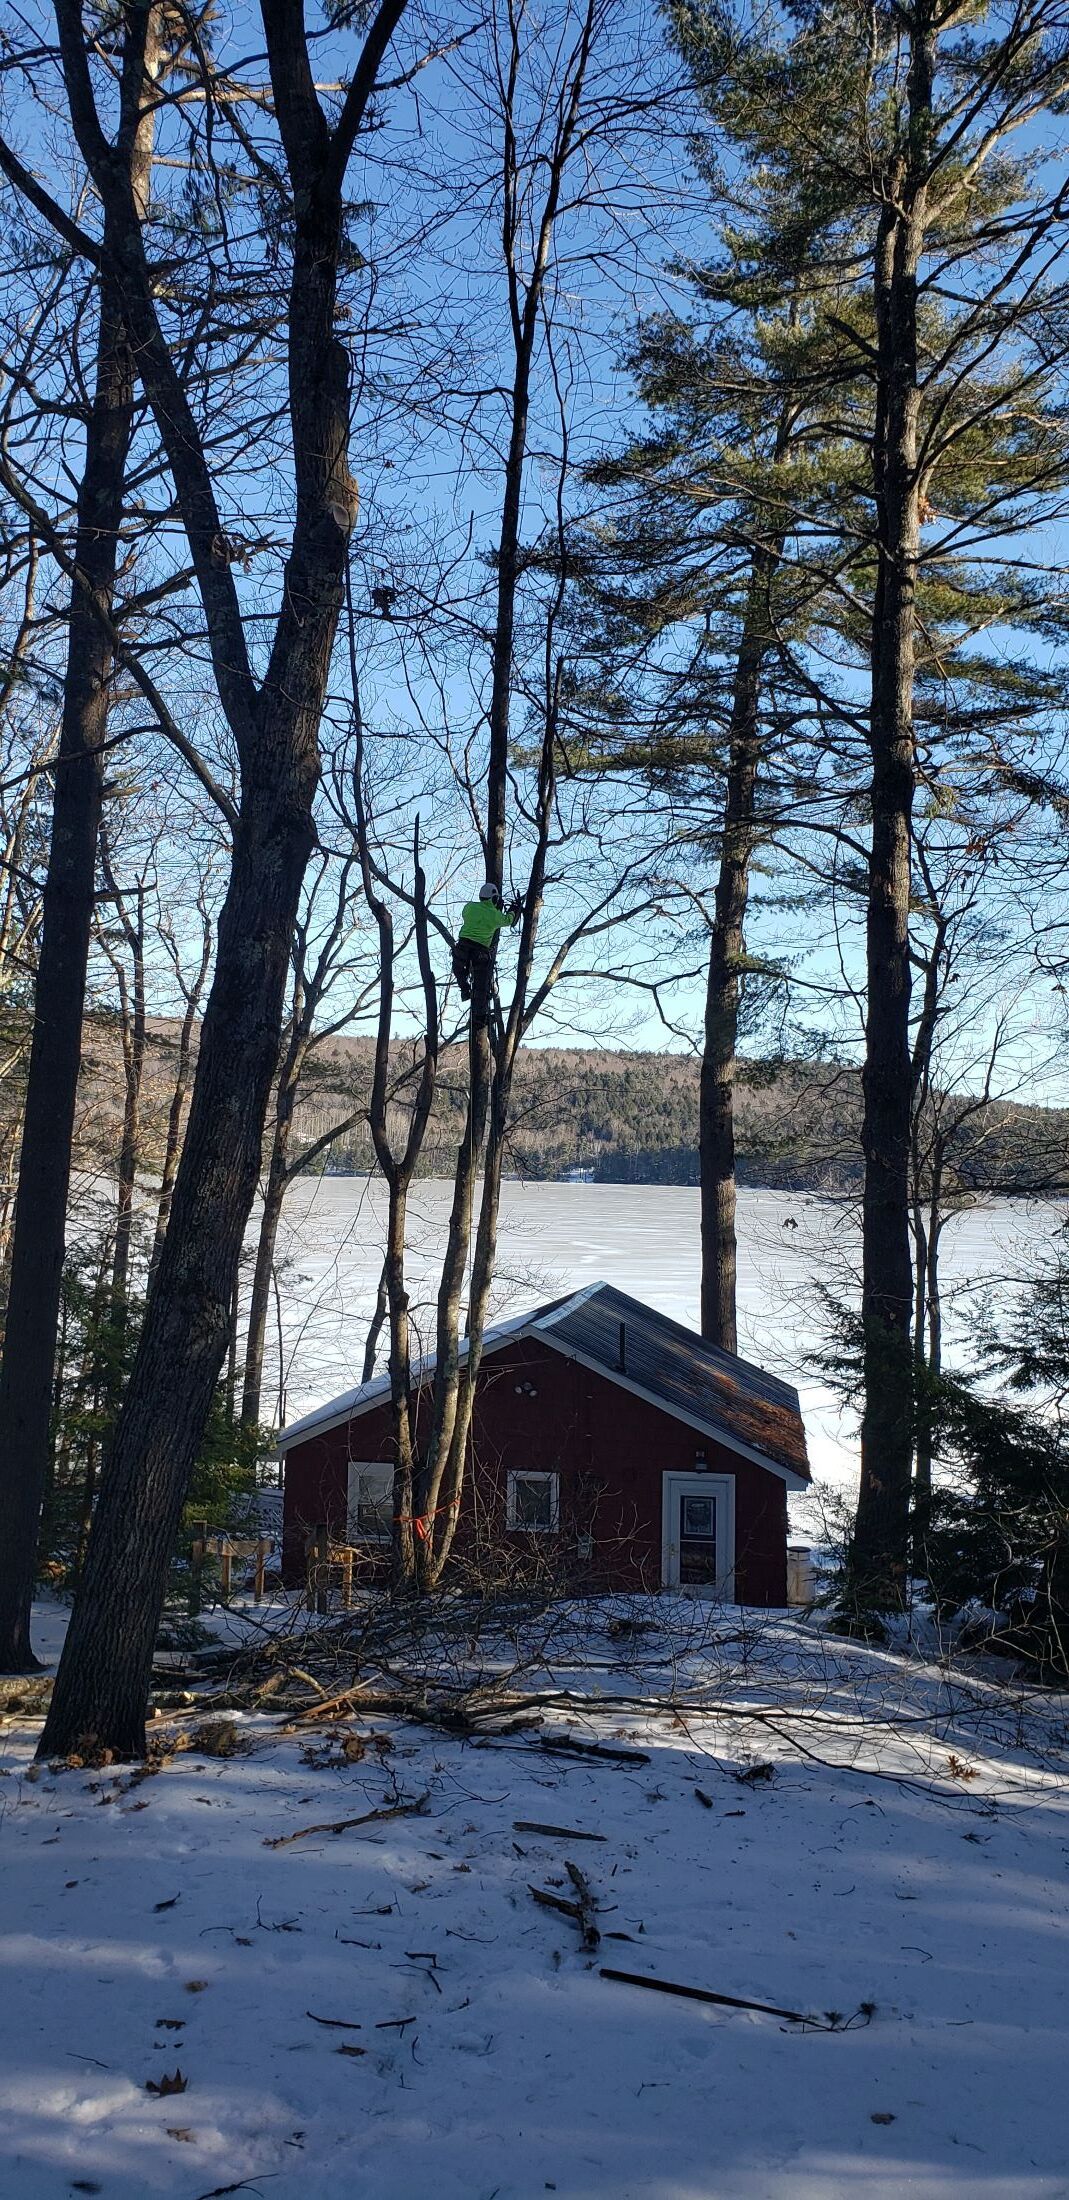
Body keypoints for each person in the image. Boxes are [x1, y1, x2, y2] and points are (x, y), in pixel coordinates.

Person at [452, 882, 522, 1004]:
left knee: (459, 969)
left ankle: (464, 989)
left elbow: (467, 914)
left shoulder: (469, 907)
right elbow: (509, 920)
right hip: (480, 951)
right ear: (494, 898)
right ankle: (481, 1007)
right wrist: (513, 909)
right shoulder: (495, 916)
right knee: (481, 981)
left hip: (463, 946)